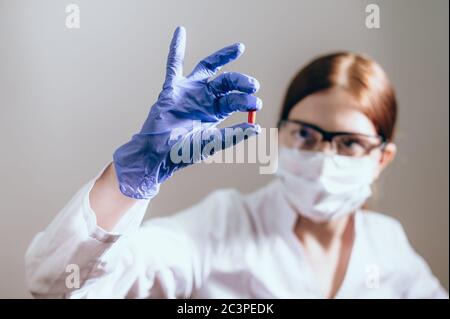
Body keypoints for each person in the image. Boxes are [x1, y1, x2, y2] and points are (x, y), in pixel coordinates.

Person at [25, 26, 448, 299]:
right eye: (305, 134)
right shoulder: (220, 227)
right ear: (280, 134)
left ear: (381, 158)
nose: (323, 156)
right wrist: (130, 176)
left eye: (349, 144)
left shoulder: (390, 247)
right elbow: (57, 287)